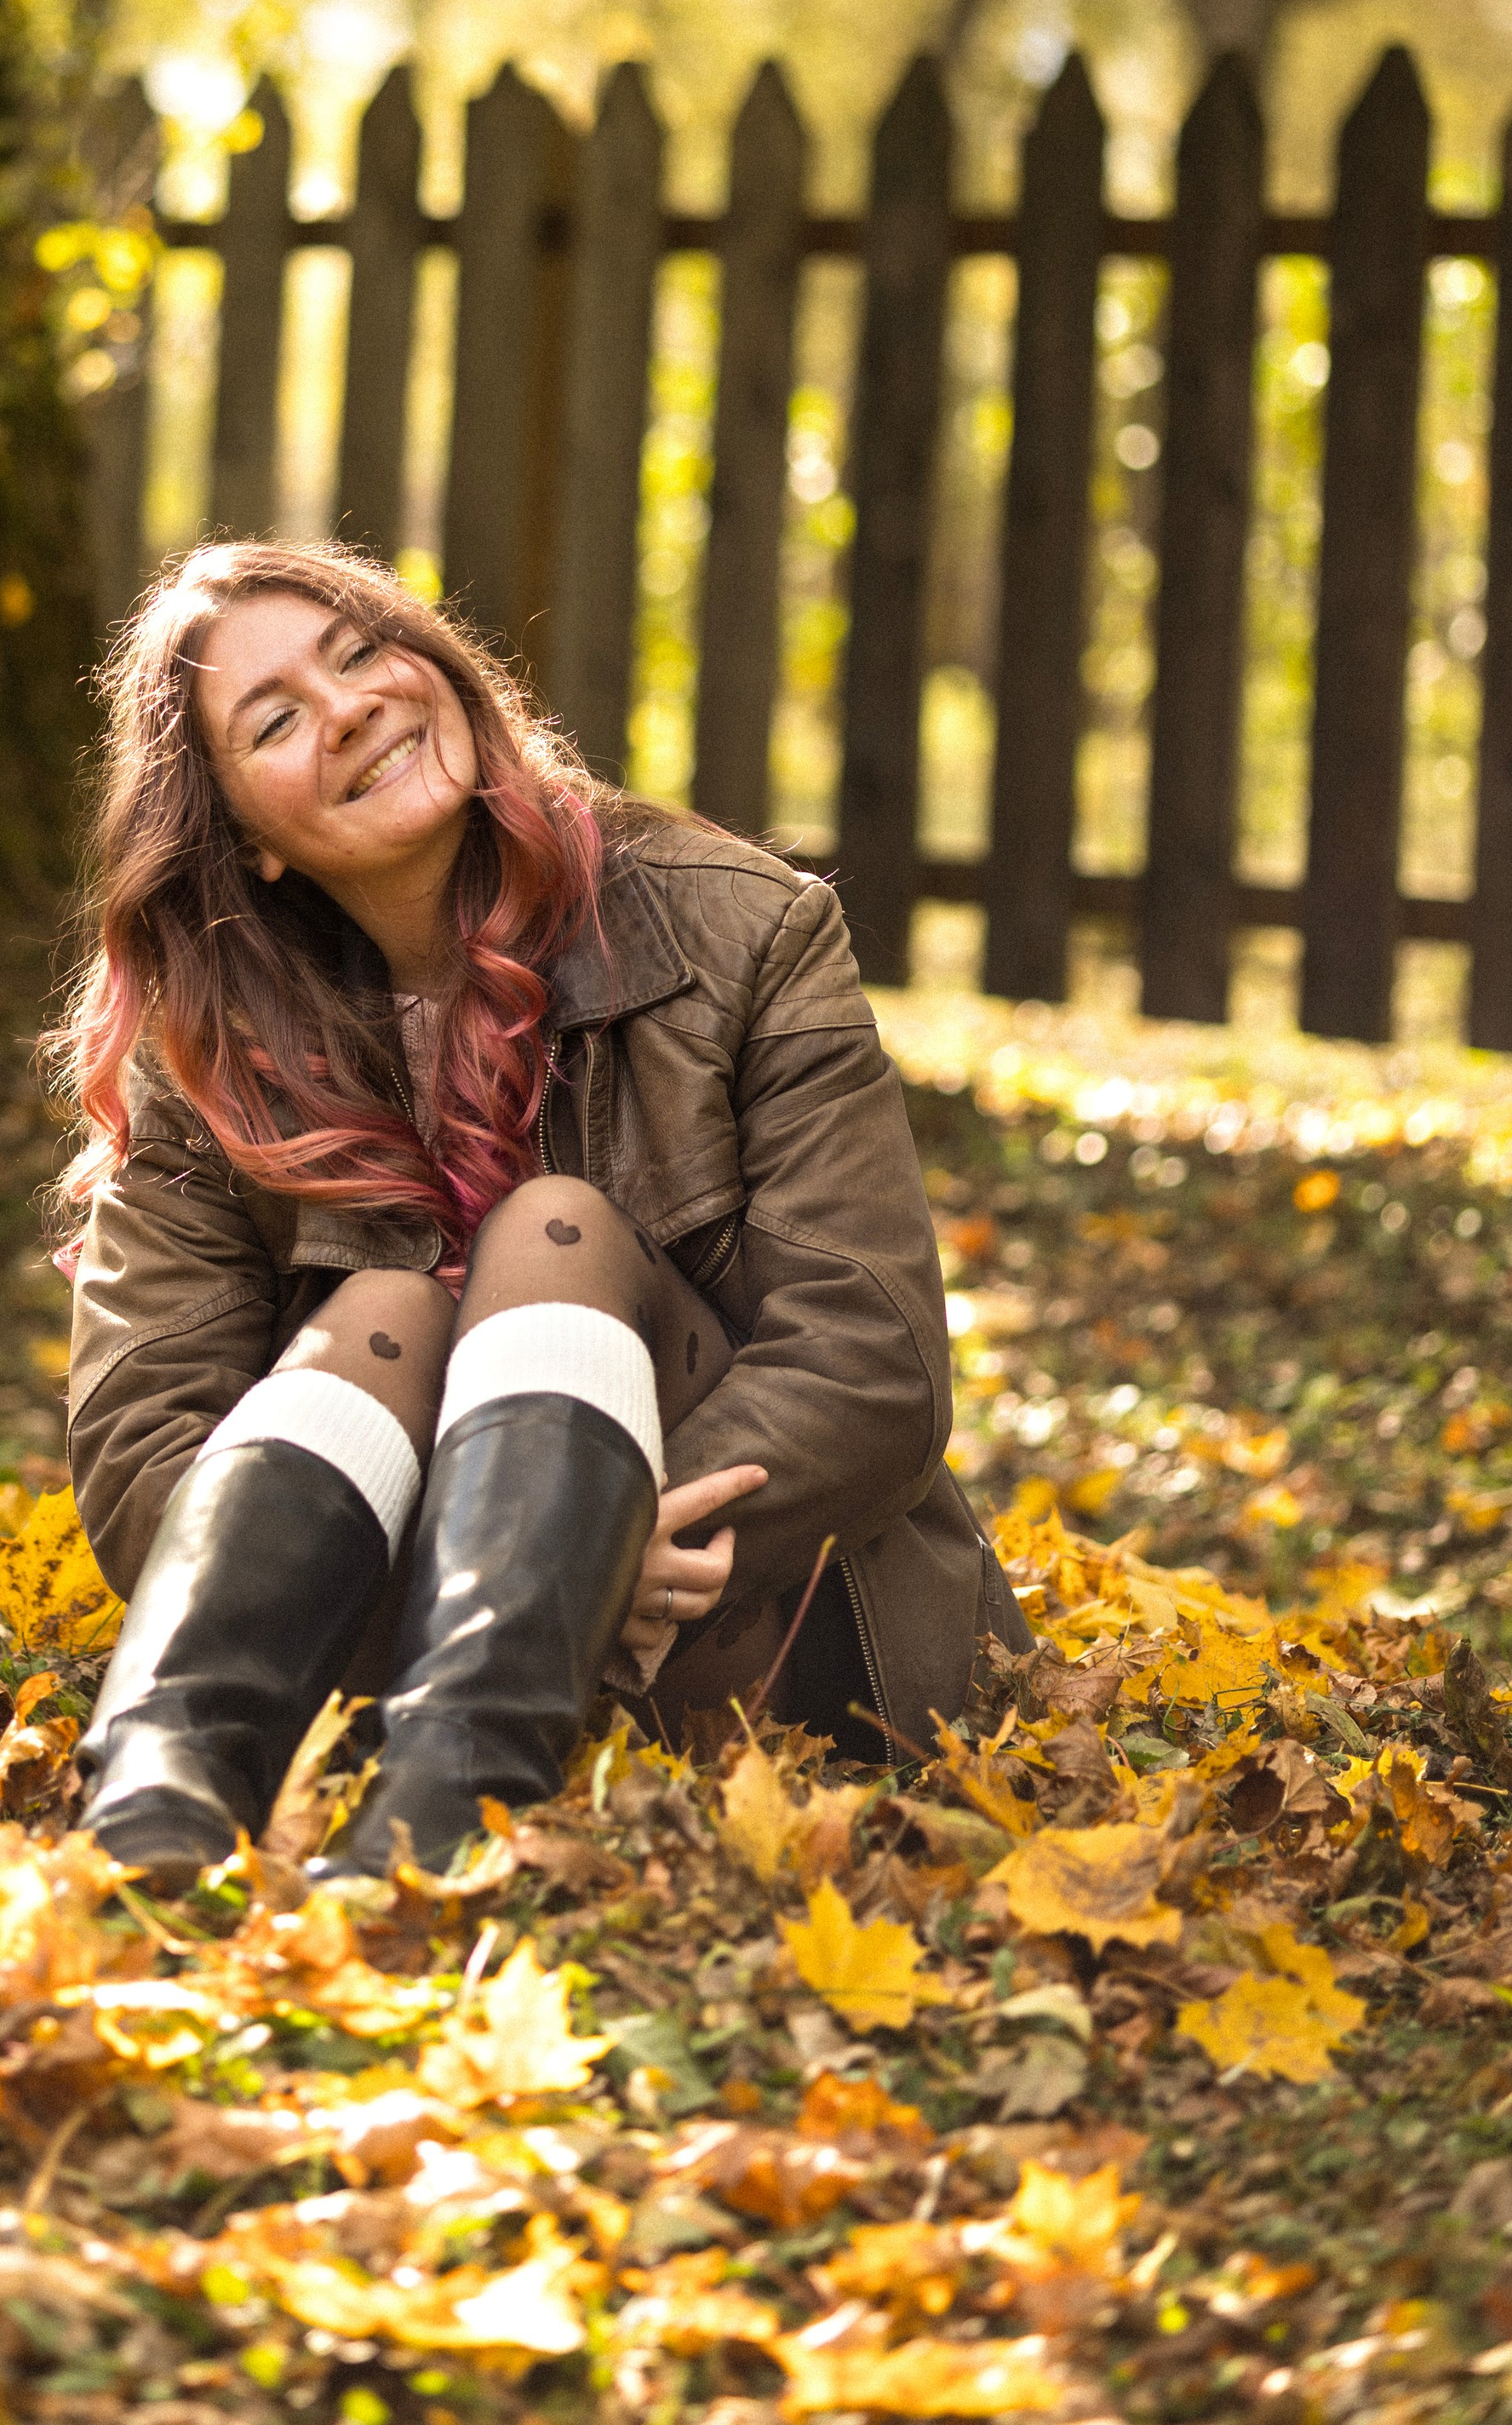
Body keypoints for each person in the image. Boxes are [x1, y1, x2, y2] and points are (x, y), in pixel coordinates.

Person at [49, 537, 1023, 1889]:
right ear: (246, 841)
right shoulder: (213, 1046)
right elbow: (142, 1435)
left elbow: (877, 1358)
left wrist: (603, 1539)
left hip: (755, 1636)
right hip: (395, 1641)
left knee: (550, 1229)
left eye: (359, 653)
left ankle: (448, 1795)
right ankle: (164, 1786)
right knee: (380, 1313)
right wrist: (453, 1574)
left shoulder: (740, 928)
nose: (347, 710)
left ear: (432, 663)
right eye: (274, 721)